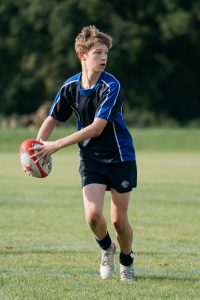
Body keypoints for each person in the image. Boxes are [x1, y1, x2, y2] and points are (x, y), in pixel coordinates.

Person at [31, 25, 137, 281]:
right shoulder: (70, 87)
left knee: (119, 221)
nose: (103, 58)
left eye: (106, 53)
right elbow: (52, 118)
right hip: (91, 158)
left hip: (119, 155)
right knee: (92, 216)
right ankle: (106, 249)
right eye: (98, 53)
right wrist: (38, 149)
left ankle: (126, 260)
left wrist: (55, 146)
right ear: (82, 55)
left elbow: (96, 128)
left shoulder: (111, 86)